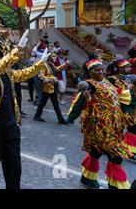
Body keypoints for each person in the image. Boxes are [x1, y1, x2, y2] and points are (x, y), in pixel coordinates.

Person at [0, 30, 50, 189]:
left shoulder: (7, 72)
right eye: (4, 53)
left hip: (11, 127)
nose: (6, 56)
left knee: (14, 171)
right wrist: (18, 49)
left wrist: (40, 63)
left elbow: (22, 74)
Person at [67, 60, 133, 189]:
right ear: (90, 72)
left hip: (114, 125)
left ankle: (88, 178)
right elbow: (82, 94)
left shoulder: (107, 81)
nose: (101, 72)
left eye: (102, 69)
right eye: (97, 70)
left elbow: (119, 92)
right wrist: (83, 87)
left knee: (95, 151)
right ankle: (117, 185)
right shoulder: (90, 85)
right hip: (100, 126)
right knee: (116, 155)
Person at [107, 60, 136, 163]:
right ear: (120, 68)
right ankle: (112, 148)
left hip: (129, 109)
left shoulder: (131, 79)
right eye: (126, 67)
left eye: (129, 67)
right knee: (117, 130)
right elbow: (108, 90)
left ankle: (131, 151)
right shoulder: (112, 79)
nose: (129, 69)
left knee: (133, 128)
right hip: (117, 109)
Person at [33, 52, 70, 125]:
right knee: (43, 103)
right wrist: (51, 79)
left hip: (52, 88)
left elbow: (57, 69)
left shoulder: (52, 64)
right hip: (47, 88)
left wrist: (66, 64)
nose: (55, 58)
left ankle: (60, 119)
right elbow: (41, 76)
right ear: (49, 57)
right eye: (53, 56)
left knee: (54, 104)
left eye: (55, 56)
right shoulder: (44, 65)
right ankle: (37, 116)